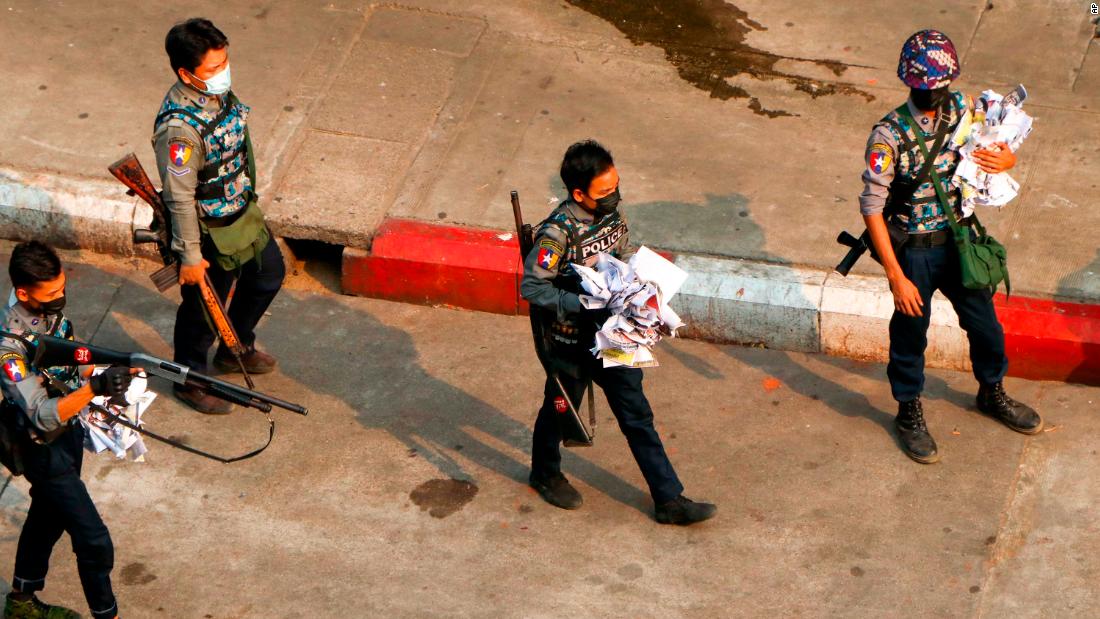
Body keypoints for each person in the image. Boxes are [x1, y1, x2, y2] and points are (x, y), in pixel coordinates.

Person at [858, 30, 1042, 464]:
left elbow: (999, 142)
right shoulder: (888, 135)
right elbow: (871, 207)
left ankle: (991, 392)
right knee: (909, 337)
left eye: (940, 86)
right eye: (927, 88)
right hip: (914, 252)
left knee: (986, 328)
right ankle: (908, 412)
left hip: (960, 240)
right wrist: (896, 276)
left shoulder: (964, 109)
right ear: (910, 83)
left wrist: (1007, 159)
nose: (934, 94)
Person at [520, 140, 716, 525]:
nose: (613, 196)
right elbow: (532, 287)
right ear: (579, 193)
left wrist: (638, 285)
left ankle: (668, 500)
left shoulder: (611, 215)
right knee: (561, 409)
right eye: (604, 191)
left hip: (615, 333)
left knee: (636, 414)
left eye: (615, 187)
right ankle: (544, 472)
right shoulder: (556, 234)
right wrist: (579, 304)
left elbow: (622, 254)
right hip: (570, 340)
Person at [153, 18, 285, 415]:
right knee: (203, 308)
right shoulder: (179, 129)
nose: (223, 73)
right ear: (186, 73)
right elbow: (179, 197)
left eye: (224, 62)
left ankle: (235, 346)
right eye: (213, 68)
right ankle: (189, 378)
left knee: (268, 275)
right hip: (208, 229)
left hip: (242, 214)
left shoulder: (219, 96)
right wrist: (190, 256)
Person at [1, 241, 130, 619]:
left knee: (47, 517)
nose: (61, 297)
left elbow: (74, 360)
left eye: (63, 288)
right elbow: (41, 415)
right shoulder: (8, 345)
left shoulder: (47, 310)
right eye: (52, 293)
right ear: (23, 293)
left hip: (70, 435)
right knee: (93, 540)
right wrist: (94, 390)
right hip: (42, 448)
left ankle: (21, 601)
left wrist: (117, 372)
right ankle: (107, 614)